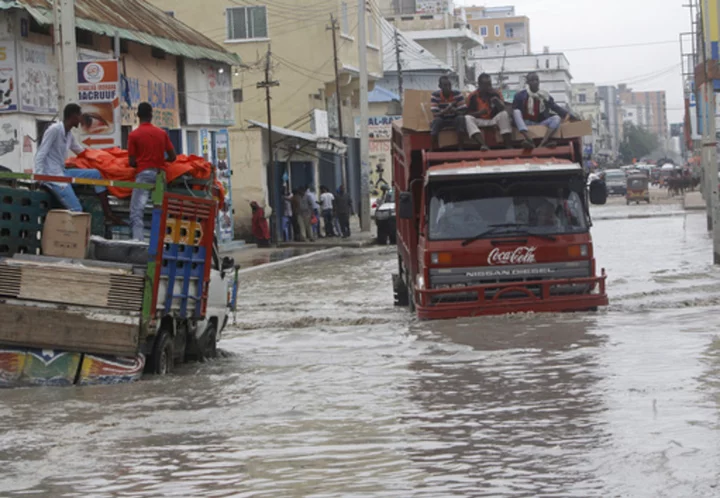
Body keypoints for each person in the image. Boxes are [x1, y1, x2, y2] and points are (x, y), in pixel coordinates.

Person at [34, 103, 123, 225]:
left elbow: (81, 151)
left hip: (63, 172)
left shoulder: (69, 134)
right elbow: (41, 153)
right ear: (73, 116)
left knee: (96, 174)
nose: (81, 119)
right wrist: (39, 177)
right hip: (53, 176)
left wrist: (104, 159)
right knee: (77, 210)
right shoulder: (54, 130)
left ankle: (108, 213)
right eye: (80, 116)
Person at [128, 102, 177, 241]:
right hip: (160, 176)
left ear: (138, 115)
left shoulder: (134, 135)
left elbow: (131, 162)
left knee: (137, 212)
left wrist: (142, 161)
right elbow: (173, 157)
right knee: (159, 212)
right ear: (151, 115)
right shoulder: (162, 133)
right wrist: (161, 162)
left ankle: (139, 243)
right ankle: (160, 243)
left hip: (143, 175)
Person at [512, 72, 575, 149]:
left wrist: (570, 116)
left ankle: (543, 143)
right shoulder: (520, 96)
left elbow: (555, 107)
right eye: (532, 80)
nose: (535, 82)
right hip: (525, 123)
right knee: (516, 112)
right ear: (528, 83)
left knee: (556, 118)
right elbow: (513, 111)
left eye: (537, 80)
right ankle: (529, 139)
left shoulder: (544, 95)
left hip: (540, 123)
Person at [465, 73, 513, 150]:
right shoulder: (472, 96)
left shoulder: (496, 93)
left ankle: (508, 145)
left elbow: (504, 109)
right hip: (480, 120)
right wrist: (479, 113)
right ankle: (483, 145)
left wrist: (497, 102)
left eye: (489, 84)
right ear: (479, 84)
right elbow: (467, 113)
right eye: (486, 85)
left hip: (493, 119)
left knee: (504, 114)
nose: (488, 87)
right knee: (467, 118)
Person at [430, 75, 466, 151]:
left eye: (449, 85)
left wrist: (454, 110)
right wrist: (446, 110)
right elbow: (435, 114)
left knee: (461, 119)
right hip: (442, 119)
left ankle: (460, 147)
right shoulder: (435, 95)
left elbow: (464, 111)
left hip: (454, 118)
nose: (448, 87)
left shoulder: (457, 94)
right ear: (440, 86)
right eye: (445, 85)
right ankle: (432, 148)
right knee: (436, 121)